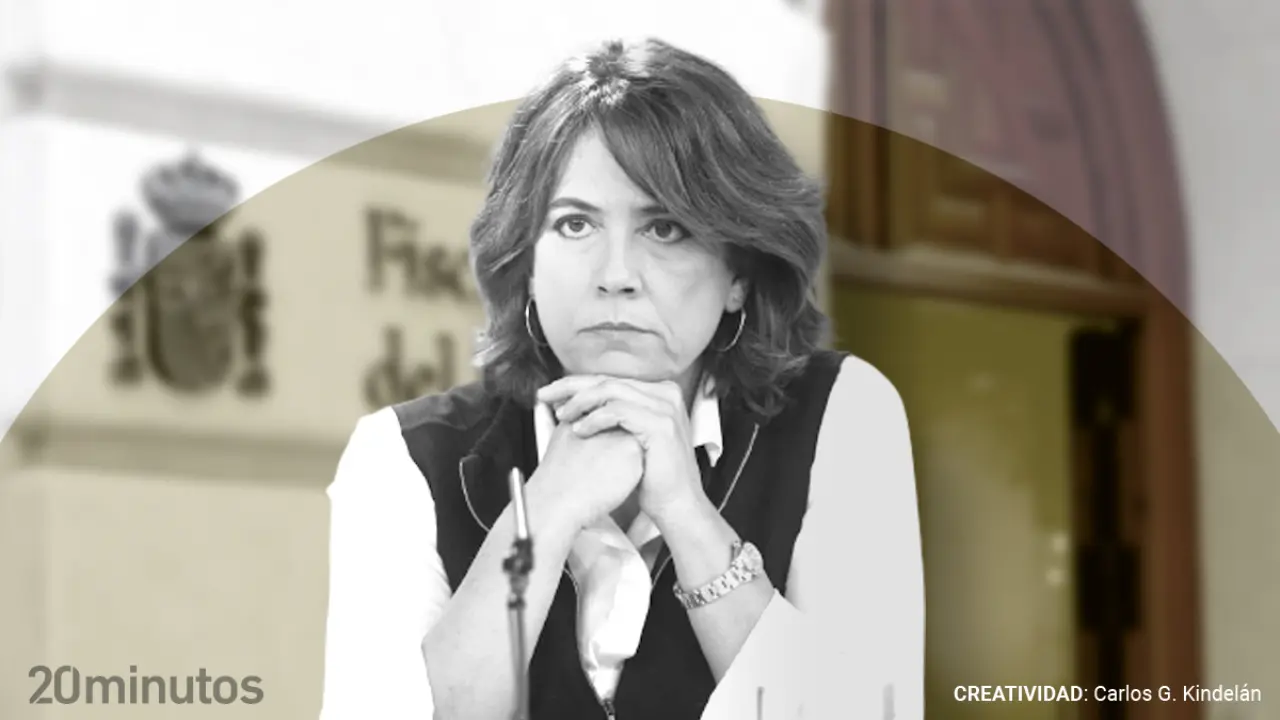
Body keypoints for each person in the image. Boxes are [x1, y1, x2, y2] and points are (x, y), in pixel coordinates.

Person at [320, 38, 923, 720]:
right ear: (526, 263)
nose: (615, 275)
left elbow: (872, 711)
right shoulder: (403, 456)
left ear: (739, 273)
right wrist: (544, 514)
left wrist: (689, 518)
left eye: (664, 228)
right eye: (574, 224)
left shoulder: (842, 415)